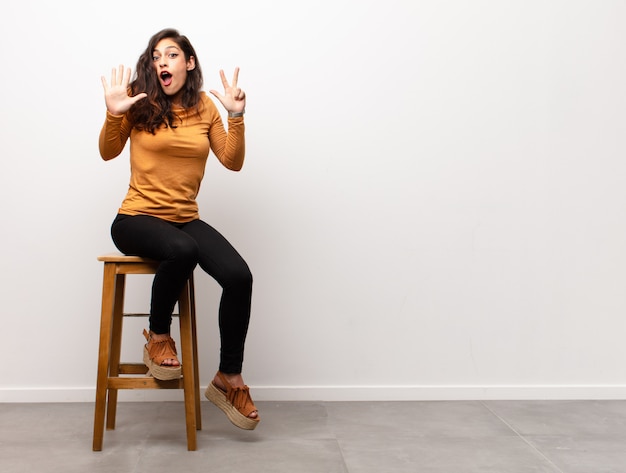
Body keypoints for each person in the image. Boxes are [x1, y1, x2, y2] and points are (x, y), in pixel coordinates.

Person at [99, 28, 259, 430]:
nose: (162, 63)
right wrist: (114, 112)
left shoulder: (205, 106)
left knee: (239, 276)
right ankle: (157, 335)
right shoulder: (138, 101)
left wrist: (235, 115)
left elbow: (232, 160)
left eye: (171, 55)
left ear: (189, 63)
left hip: (183, 218)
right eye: (156, 57)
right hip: (135, 219)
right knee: (183, 250)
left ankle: (229, 377)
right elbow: (107, 151)